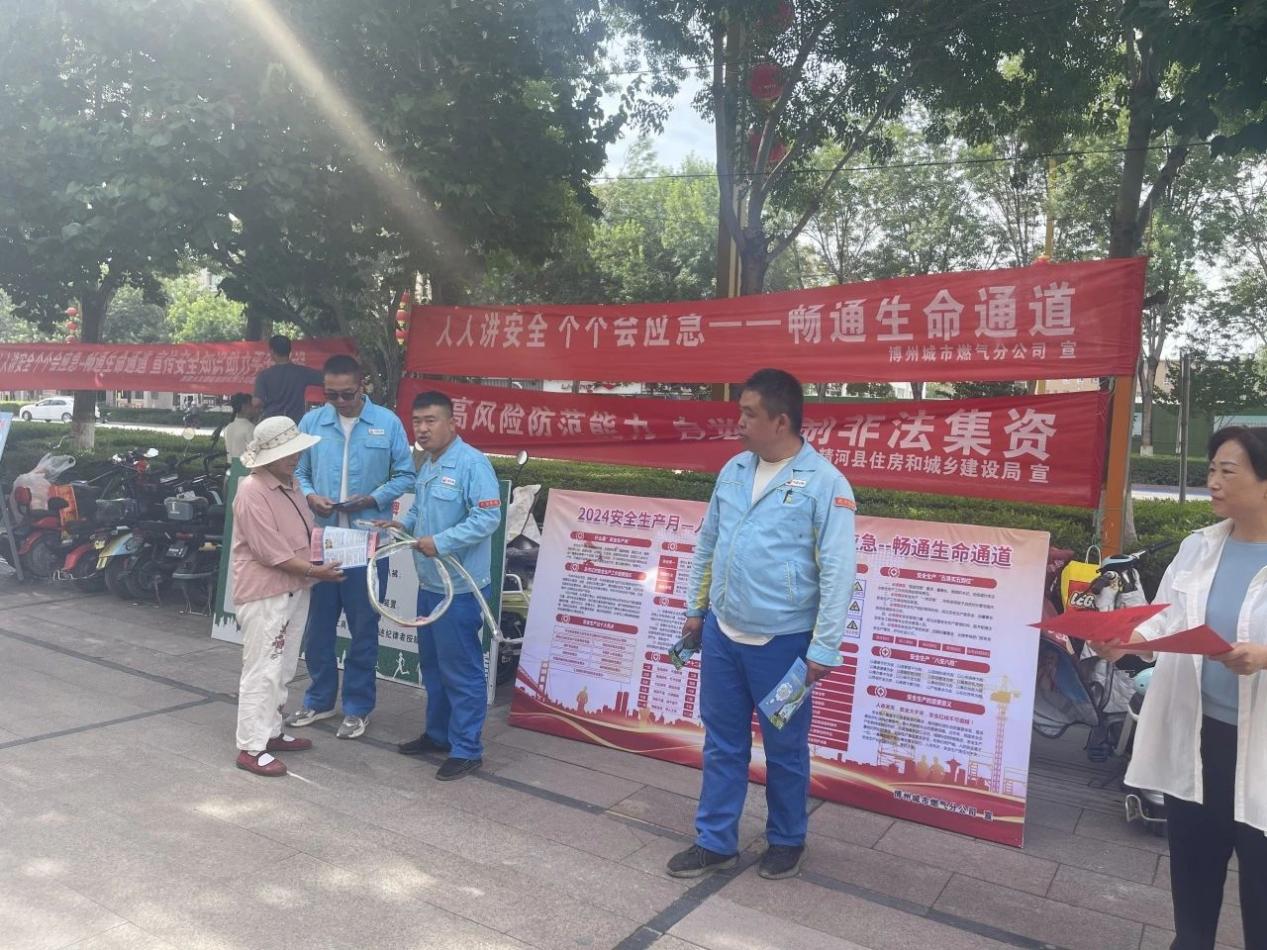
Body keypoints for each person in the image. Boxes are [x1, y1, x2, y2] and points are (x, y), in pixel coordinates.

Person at [666, 368, 855, 881]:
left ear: (781, 420)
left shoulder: (825, 484)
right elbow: (708, 543)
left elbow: (839, 571)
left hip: (783, 644)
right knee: (722, 742)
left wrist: (823, 649)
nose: (740, 423)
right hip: (723, 636)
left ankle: (787, 839)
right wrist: (696, 610)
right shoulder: (733, 470)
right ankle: (715, 841)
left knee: (784, 748)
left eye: (749, 414)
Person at [1100, 425, 1267, 949]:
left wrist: (1264, 656)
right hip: (1197, 740)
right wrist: (1126, 641)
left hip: (1262, 753)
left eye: (1227, 471)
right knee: (1193, 891)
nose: (1212, 481)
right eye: (1211, 469)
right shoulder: (1198, 548)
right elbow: (1166, 621)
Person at [286, 355, 413, 739]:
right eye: (331, 395)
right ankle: (319, 700)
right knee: (318, 629)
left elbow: (405, 474)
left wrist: (373, 498)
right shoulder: (312, 423)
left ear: (363, 386)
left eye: (347, 394)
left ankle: (358, 708)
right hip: (323, 543)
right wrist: (311, 496)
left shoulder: (387, 423)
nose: (340, 402)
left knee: (363, 630)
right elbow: (299, 472)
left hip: (367, 544)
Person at [377, 391, 502, 781]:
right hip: (429, 584)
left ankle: (466, 749)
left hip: (459, 590)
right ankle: (438, 735)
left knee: (461, 670)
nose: (423, 429)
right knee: (433, 667)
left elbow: (488, 519)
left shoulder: (472, 464)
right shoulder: (429, 463)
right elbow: (420, 507)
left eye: (431, 420)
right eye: (417, 421)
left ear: (452, 423)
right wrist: (403, 524)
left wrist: (442, 542)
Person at [231, 416, 344, 777]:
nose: (295, 457)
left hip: (295, 587)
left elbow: (305, 532)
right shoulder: (252, 490)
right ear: (268, 456)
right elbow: (270, 552)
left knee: (283, 666)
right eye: (288, 452)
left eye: (296, 451)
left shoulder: (291, 485)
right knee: (262, 669)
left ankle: (271, 731)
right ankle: (251, 747)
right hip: (266, 592)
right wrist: (315, 571)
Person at [253, 335, 324, 423]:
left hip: (272, 423)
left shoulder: (264, 375)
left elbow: (256, 402)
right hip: (294, 423)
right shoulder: (302, 372)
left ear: (272, 351)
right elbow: (325, 379)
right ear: (290, 351)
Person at [221, 392, 259, 462]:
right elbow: (255, 452)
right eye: (252, 405)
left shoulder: (228, 427)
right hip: (244, 466)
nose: (255, 409)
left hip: (232, 465)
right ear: (244, 407)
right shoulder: (250, 427)